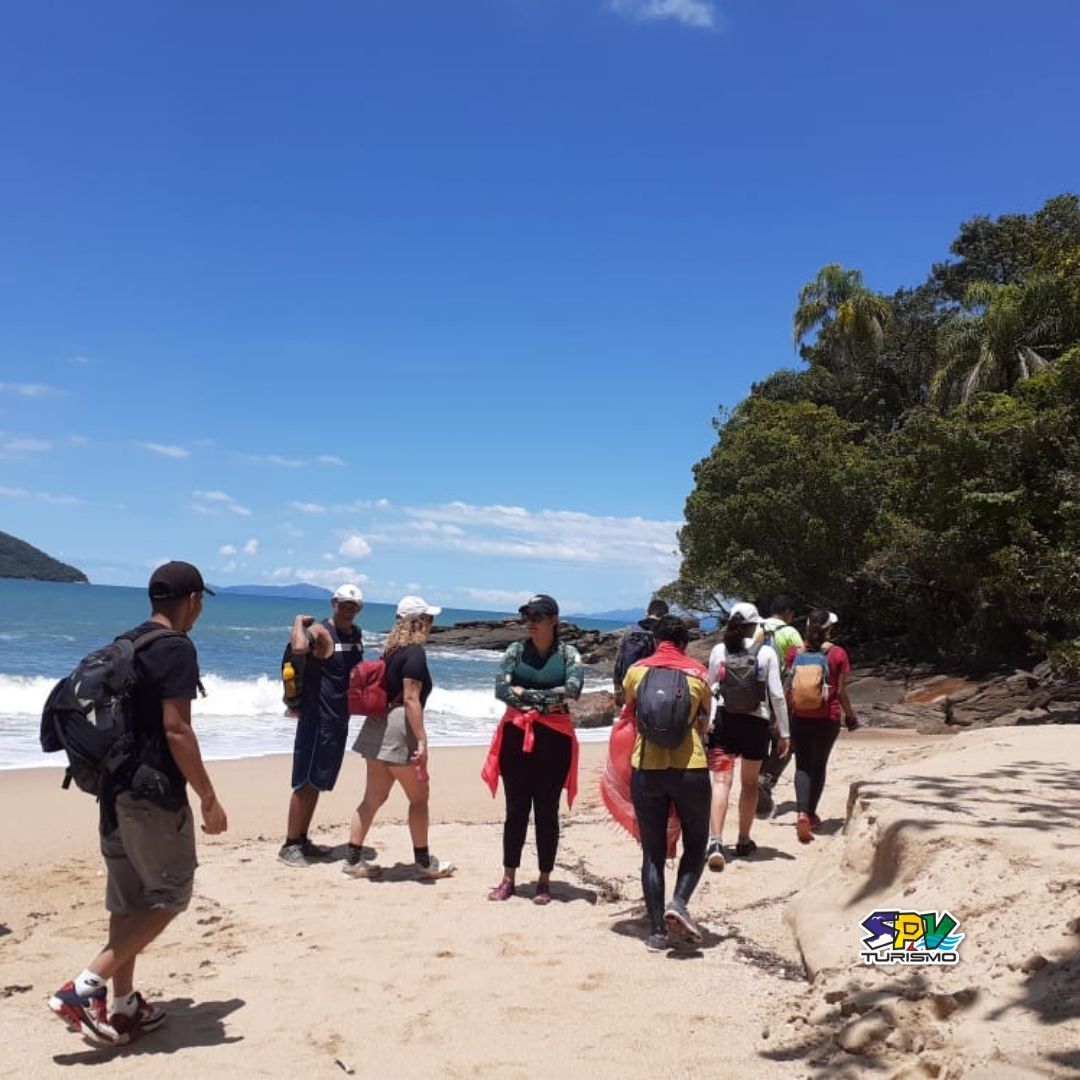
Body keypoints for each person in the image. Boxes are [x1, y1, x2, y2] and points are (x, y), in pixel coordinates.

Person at [49, 561, 227, 1045]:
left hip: (113, 789)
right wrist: (208, 798)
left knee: (128, 901)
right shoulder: (175, 649)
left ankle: (124, 1005)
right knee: (172, 896)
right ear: (192, 601)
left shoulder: (128, 642)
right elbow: (176, 728)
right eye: (201, 601)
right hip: (152, 793)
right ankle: (85, 988)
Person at [344, 596, 455, 879]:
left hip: (376, 725)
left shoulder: (391, 651)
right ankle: (424, 863)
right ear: (417, 622)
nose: (431, 625)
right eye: (429, 619)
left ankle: (353, 861)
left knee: (372, 798)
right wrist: (422, 740)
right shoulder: (415, 653)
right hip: (398, 728)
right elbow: (410, 699)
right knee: (419, 797)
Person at [482, 594, 583, 904]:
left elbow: (573, 690)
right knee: (515, 811)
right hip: (517, 737)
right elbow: (501, 689)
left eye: (536, 616)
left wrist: (526, 694)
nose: (530, 622)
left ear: (553, 619)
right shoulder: (515, 650)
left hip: (554, 741)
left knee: (547, 813)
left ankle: (543, 881)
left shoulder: (569, 654)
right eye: (526, 616)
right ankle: (508, 878)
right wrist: (547, 696)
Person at [623, 615, 712, 950]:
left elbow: (629, 710)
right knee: (696, 843)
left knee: (653, 852)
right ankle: (679, 902)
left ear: (656, 640)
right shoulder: (699, 673)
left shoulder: (637, 672)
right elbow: (705, 719)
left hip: (646, 768)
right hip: (691, 768)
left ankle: (657, 932)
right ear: (685, 642)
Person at [278, 583, 365, 867]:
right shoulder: (321, 632)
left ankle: (302, 838)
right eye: (344, 605)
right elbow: (300, 647)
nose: (348, 611)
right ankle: (289, 845)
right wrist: (297, 623)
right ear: (333, 603)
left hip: (339, 720)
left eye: (354, 606)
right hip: (317, 720)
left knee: (319, 782)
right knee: (305, 782)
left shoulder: (355, 634)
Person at [705, 602, 789, 864]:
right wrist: (785, 732)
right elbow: (776, 695)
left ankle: (716, 842)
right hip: (756, 724)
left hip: (724, 721)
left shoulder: (719, 650)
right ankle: (743, 839)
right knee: (750, 783)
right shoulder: (766, 654)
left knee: (721, 782)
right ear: (754, 626)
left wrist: (707, 723)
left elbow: (710, 688)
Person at [787, 610, 859, 844]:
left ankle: (800, 812)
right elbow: (840, 691)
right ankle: (810, 814)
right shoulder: (837, 653)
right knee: (819, 765)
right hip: (828, 717)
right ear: (829, 629)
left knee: (802, 766)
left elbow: (788, 686)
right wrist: (850, 716)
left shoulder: (795, 653)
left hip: (799, 716)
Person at [755, 594, 804, 817]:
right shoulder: (790, 632)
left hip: (751, 695)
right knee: (785, 742)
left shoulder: (756, 628)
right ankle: (765, 780)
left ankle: (755, 783)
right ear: (788, 613)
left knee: (759, 741)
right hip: (779, 694)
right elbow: (800, 664)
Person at [612, 598, 669, 708]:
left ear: (647, 613)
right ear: (664, 615)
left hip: (629, 687)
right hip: (654, 690)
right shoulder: (664, 633)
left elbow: (619, 661)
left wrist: (617, 690)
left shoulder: (630, 630)